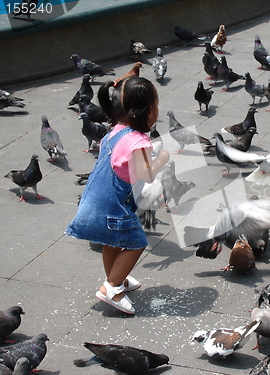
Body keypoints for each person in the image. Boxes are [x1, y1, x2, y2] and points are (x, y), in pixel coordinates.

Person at [66, 76, 169, 314]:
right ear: (147, 111)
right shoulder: (140, 142)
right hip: (116, 207)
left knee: (110, 242)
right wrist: (163, 158)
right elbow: (148, 175)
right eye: (156, 105)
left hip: (95, 200)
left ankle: (117, 277)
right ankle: (111, 287)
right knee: (137, 244)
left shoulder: (114, 132)